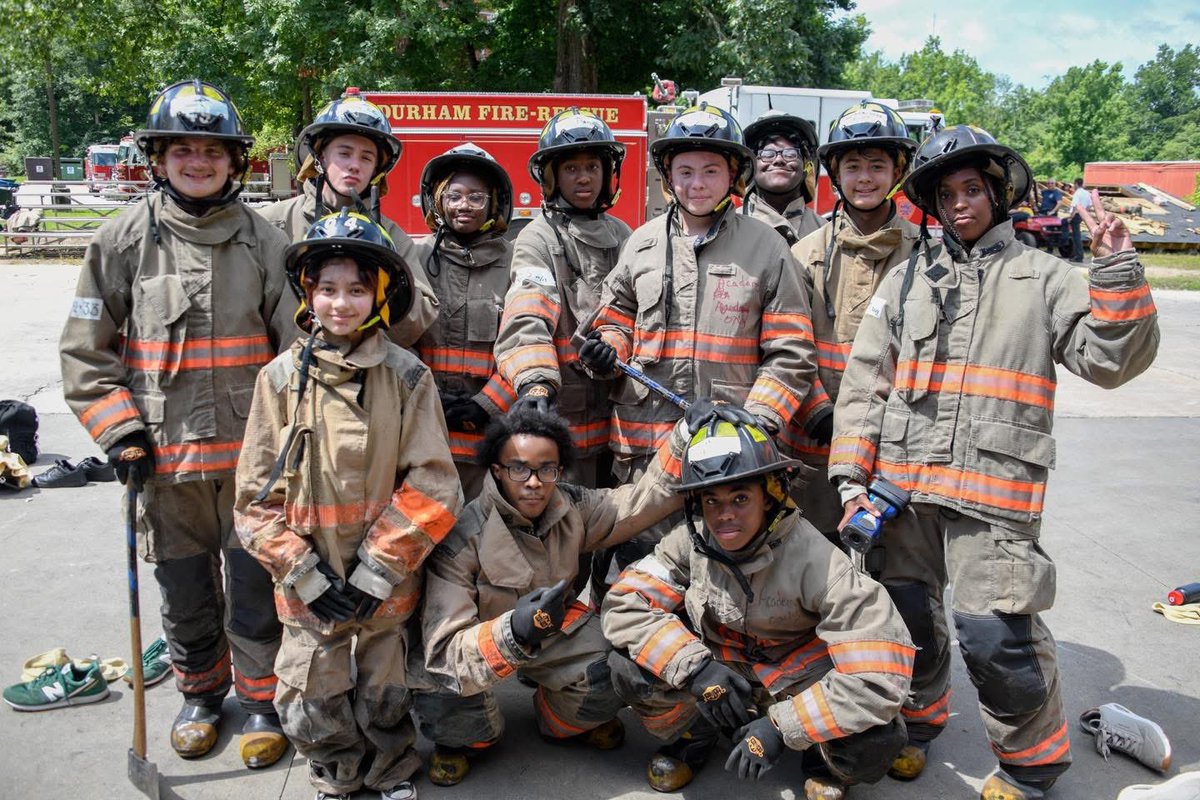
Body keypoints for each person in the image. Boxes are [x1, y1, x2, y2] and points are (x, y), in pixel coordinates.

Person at [829, 125, 1160, 800]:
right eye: (946, 193)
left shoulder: (1044, 277)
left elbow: (1110, 361)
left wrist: (1117, 271)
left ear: (999, 192)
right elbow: (866, 385)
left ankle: (1030, 766)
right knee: (908, 618)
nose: (960, 205)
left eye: (972, 189)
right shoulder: (908, 280)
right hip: (903, 490)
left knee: (996, 638)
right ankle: (917, 726)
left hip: (994, 491)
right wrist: (848, 482)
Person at [59, 79, 293, 768]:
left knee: (256, 590)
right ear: (158, 158)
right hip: (164, 464)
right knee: (184, 588)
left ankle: (259, 701)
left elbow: (294, 356)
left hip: (255, 466)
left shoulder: (266, 242)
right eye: (182, 149)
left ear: (235, 161)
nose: (198, 161)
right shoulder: (121, 239)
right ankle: (199, 694)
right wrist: (119, 433)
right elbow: (84, 351)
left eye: (212, 150)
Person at [234, 210, 462, 800]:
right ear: (307, 294)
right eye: (328, 289)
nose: (341, 303)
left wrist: (378, 570)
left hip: (385, 583)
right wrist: (303, 573)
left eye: (357, 290)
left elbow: (435, 484)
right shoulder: (280, 380)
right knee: (315, 688)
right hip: (308, 583)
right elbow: (254, 500)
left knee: (385, 684)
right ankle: (334, 771)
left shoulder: (408, 377)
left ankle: (389, 770)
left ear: (379, 297)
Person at [602, 410, 914, 800]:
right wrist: (696, 669)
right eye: (711, 500)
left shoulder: (821, 562)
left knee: (877, 738)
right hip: (724, 674)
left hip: (798, 685)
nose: (724, 514)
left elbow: (880, 678)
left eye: (740, 497)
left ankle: (823, 761)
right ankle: (694, 735)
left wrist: (784, 726)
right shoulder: (691, 541)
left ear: (770, 497)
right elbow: (625, 600)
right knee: (628, 667)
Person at [415, 407, 687, 786]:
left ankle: (556, 720)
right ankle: (469, 741)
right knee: (438, 689)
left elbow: (640, 501)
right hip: (480, 644)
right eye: (519, 468)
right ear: (497, 471)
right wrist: (513, 631)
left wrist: (686, 436)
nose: (534, 482)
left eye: (547, 469)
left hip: (554, 632)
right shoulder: (462, 538)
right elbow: (444, 651)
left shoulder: (572, 506)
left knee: (615, 666)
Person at [578, 102, 816, 530]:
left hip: (729, 452)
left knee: (720, 576)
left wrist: (757, 424)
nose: (697, 184)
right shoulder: (641, 244)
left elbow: (791, 352)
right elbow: (615, 320)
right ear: (668, 177)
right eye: (685, 172)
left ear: (733, 176)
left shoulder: (767, 248)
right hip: (643, 452)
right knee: (642, 575)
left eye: (710, 171)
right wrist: (606, 349)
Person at [781, 102, 919, 541]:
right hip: (814, 445)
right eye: (853, 166)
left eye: (877, 166)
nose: (864, 178)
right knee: (813, 570)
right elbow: (785, 348)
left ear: (898, 172)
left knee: (899, 581)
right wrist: (819, 412)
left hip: (899, 447)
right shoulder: (804, 254)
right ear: (834, 174)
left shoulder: (927, 255)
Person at [493, 108, 630, 488]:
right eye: (571, 168)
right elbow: (527, 316)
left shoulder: (626, 237)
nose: (584, 177)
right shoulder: (539, 238)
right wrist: (536, 384)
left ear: (607, 174)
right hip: (565, 419)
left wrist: (617, 346)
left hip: (623, 425)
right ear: (552, 177)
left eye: (592, 167)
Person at [259, 88, 438, 345]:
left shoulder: (391, 236)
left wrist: (384, 281)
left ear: (377, 169)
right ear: (320, 157)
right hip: (291, 376)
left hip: (365, 378)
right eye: (344, 153)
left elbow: (416, 323)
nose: (354, 165)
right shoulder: (273, 223)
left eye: (366, 157)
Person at [412, 143, 515, 499]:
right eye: (454, 195)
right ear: (438, 200)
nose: (464, 206)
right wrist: (424, 399)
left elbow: (526, 345)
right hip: (424, 435)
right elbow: (398, 342)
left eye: (476, 197)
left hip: (489, 440)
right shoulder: (415, 258)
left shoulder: (515, 263)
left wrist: (485, 405)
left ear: (494, 203)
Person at [740, 109, 826, 245]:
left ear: (806, 164)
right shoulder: (729, 230)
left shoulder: (827, 234)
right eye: (767, 154)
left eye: (790, 154)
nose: (779, 160)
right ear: (751, 166)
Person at [1068, 176, 1093, 262]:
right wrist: (1085, 212)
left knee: (1076, 237)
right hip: (1082, 215)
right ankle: (1076, 255)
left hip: (1076, 215)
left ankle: (1078, 256)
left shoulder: (1077, 193)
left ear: (1076, 184)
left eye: (1074, 184)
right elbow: (1090, 205)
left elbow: (1075, 206)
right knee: (1076, 236)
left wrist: (1071, 217)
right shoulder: (1087, 193)